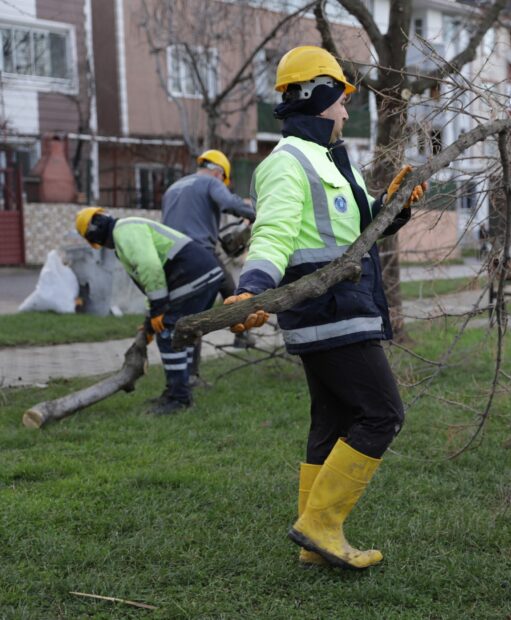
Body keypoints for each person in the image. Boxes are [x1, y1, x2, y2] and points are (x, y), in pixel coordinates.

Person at [223, 45, 426, 570]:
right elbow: (273, 234)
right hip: (328, 313)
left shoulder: (333, 160)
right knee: (383, 413)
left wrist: (394, 208)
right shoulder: (286, 163)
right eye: (341, 99)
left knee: (331, 421)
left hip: (342, 309)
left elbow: (361, 232)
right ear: (318, 95)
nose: (345, 109)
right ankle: (321, 524)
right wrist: (252, 288)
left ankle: (314, 540)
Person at [74, 208, 224, 415]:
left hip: (191, 275)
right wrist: (149, 320)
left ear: (94, 237)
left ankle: (179, 398)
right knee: (185, 334)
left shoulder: (124, 232)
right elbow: (149, 283)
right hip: (205, 273)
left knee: (169, 335)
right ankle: (181, 388)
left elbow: (150, 267)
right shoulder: (126, 230)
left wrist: (159, 309)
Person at [161, 149, 256, 354]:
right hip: (198, 253)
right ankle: (242, 334)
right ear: (218, 173)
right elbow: (229, 203)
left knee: (185, 310)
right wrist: (255, 214)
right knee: (229, 289)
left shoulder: (172, 188)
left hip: (170, 256)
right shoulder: (211, 182)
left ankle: (180, 360)